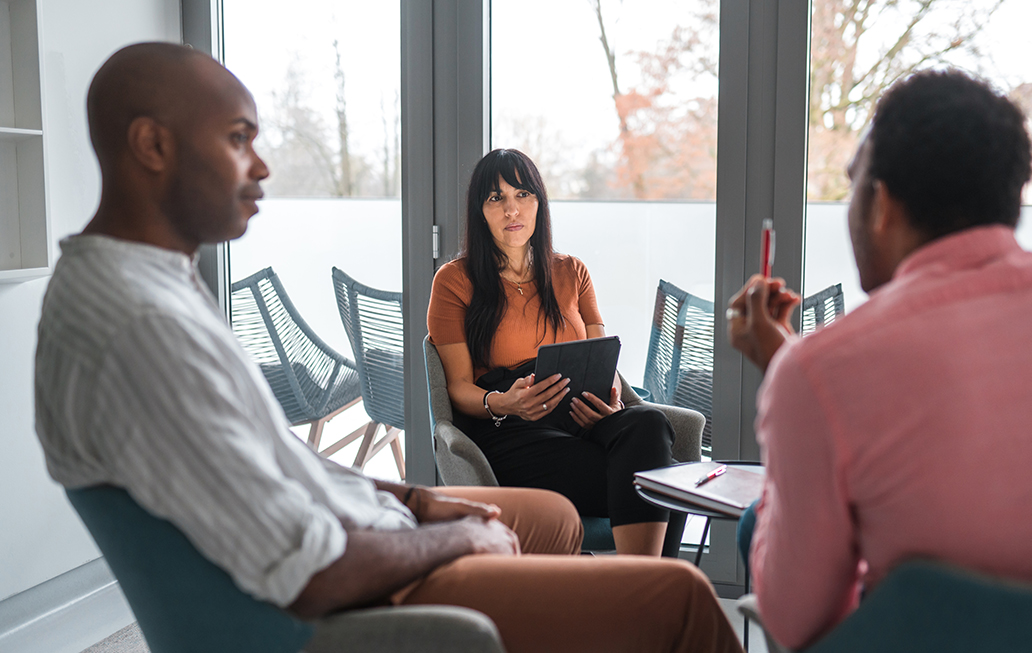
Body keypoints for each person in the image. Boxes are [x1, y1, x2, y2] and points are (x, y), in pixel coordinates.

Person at [34, 42, 744, 653]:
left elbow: (277, 462)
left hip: (362, 530)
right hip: (354, 588)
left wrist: (413, 497)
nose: (262, 168)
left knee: (555, 515)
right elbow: (304, 565)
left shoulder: (155, 289)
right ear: (153, 146)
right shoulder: (139, 325)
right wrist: (450, 538)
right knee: (678, 593)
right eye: (239, 138)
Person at [728, 69, 1032, 650]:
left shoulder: (824, 368)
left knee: (761, 522)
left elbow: (795, 618)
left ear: (880, 204)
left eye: (853, 185)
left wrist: (787, 377)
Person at [427, 149, 675, 556]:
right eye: (496, 198)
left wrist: (611, 401)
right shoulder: (454, 281)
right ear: (480, 210)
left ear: (539, 202)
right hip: (511, 426)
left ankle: (634, 588)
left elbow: (603, 352)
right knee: (660, 482)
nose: (511, 209)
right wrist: (504, 402)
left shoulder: (571, 271)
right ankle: (642, 591)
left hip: (582, 414)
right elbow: (456, 388)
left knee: (648, 422)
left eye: (522, 194)